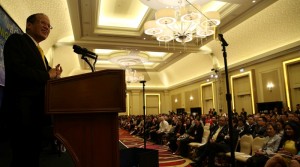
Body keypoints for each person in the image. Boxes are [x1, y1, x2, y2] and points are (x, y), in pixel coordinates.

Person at [1, 13, 63, 167]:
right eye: (43, 23)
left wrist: (54, 76)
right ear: (29, 24)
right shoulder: (17, 40)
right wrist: (47, 74)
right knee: (22, 156)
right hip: (21, 110)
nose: (47, 28)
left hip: (37, 112)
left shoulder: (41, 53)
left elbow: (44, 76)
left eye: (49, 26)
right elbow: (16, 70)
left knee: (33, 155)